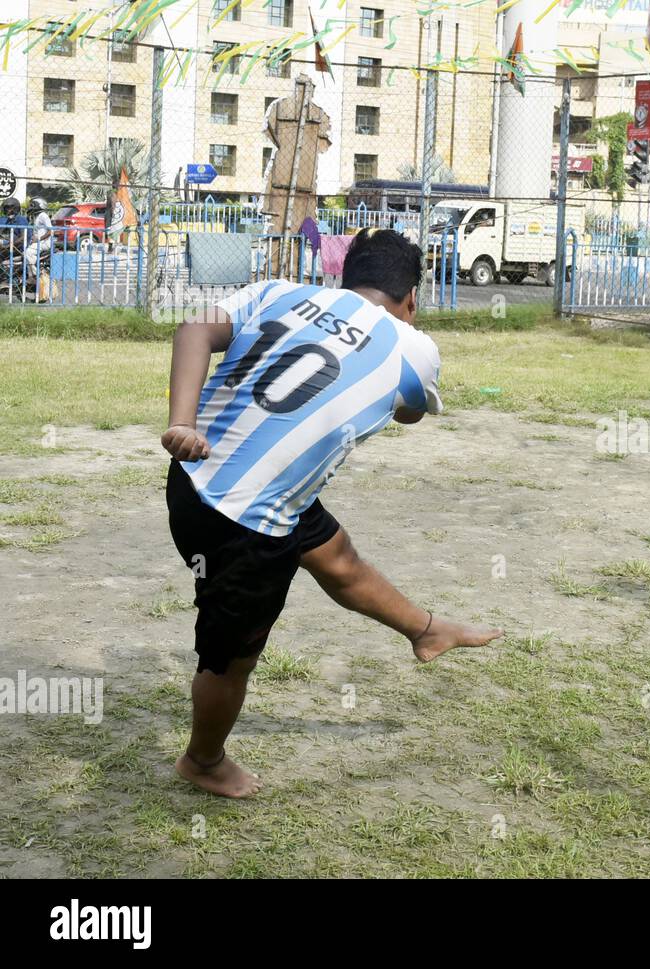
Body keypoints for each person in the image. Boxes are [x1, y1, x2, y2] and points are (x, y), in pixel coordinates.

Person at [162, 228, 504, 798]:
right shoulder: (411, 347)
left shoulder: (278, 291)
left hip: (192, 472)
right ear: (412, 299)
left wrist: (184, 422)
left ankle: (425, 630)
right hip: (247, 517)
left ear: (342, 279)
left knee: (334, 553)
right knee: (230, 659)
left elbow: (194, 327)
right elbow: (410, 414)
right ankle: (202, 761)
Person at [22, 196, 53, 278]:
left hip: (44, 243)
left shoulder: (43, 215)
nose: (30, 207)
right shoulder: (37, 216)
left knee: (28, 253)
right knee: (24, 253)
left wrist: (38, 239)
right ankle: (30, 276)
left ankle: (36, 273)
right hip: (39, 242)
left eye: (32, 205)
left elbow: (51, 231)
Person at [0, 198, 29, 282]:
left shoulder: (21, 219)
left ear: (16, 208)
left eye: (10, 208)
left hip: (20, 247)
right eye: (6, 208)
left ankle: (8, 277)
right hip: (12, 245)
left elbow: (23, 237)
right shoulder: (9, 220)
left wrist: (8, 245)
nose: (8, 210)